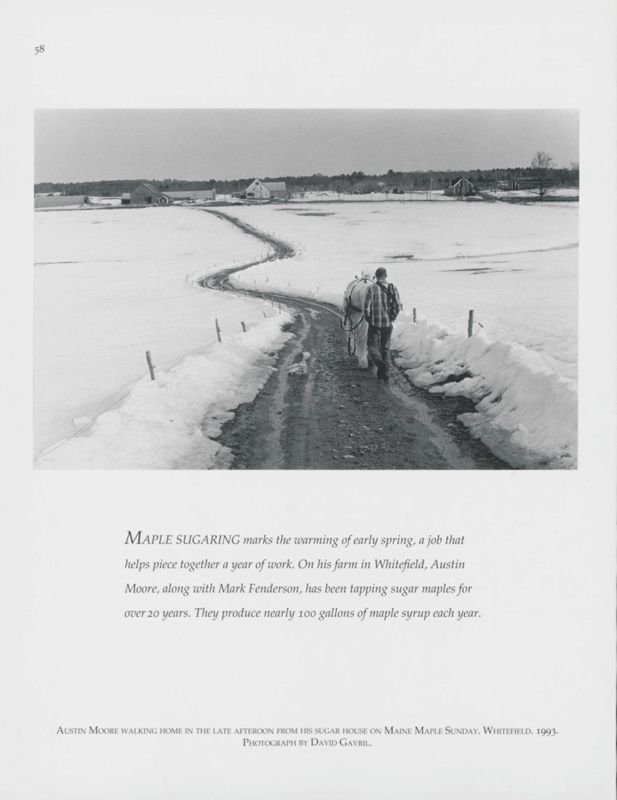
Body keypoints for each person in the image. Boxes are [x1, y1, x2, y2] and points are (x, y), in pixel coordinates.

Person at [363, 267, 402, 382]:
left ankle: (380, 364)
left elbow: (366, 307)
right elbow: (397, 306)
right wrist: (392, 317)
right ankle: (385, 374)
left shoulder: (371, 288)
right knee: (385, 348)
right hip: (387, 323)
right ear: (386, 275)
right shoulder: (392, 288)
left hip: (374, 323)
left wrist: (368, 318)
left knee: (371, 346)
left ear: (376, 276)